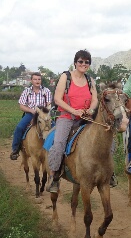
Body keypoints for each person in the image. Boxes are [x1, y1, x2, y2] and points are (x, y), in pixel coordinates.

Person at [47, 50, 98, 193]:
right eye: (81, 61)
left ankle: (108, 173)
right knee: (59, 144)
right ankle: (54, 176)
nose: (83, 64)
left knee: (106, 139)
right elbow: (57, 99)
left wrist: (91, 110)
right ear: (75, 62)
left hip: (86, 117)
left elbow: (95, 100)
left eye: (86, 62)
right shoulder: (66, 77)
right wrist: (73, 111)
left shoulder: (90, 80)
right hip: (67, 117)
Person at [10, 72, 52, 160]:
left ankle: (55, 149)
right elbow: (21, 106)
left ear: (41, 80)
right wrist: (31, 111)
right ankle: (15, 149)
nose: (37, 81)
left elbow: (49, 104)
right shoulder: (27, 91)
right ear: (31, 80)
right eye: (35, 79)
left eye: (39, 79)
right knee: (19, 127)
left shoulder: (46, 91)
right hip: (30, 113)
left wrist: (45, 112)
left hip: (43, 114)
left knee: (55, 127)